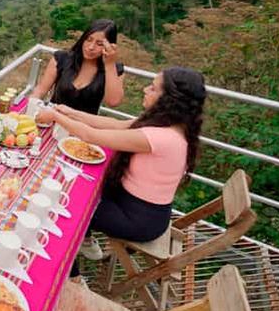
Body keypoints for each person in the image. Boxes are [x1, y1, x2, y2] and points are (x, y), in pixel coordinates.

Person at [36, 67, 207, 280]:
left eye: (153, 88)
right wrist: (70, 112)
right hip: (130, 201)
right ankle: (85, 241)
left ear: (169, 99)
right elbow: (116, 125)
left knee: (61, 206)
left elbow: (91, 135)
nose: (145, 90)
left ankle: (73, 278)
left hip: (138, 219)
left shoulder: (163, 137)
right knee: (79, 182)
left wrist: (54, 115)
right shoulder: (170, 125)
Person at [31, 19, 125, 259]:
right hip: (50, 129)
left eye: (99, 43)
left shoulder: (112, 69)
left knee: (77, 188)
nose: (91, 47)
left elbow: (114, 101)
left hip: (84, 137)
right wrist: (28, 113)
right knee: (37, 176)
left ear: (109, 47)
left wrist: (111, 63)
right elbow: (40, 91)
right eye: (89, 39)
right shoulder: (62, 58)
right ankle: (36, 222)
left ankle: (79, 235)